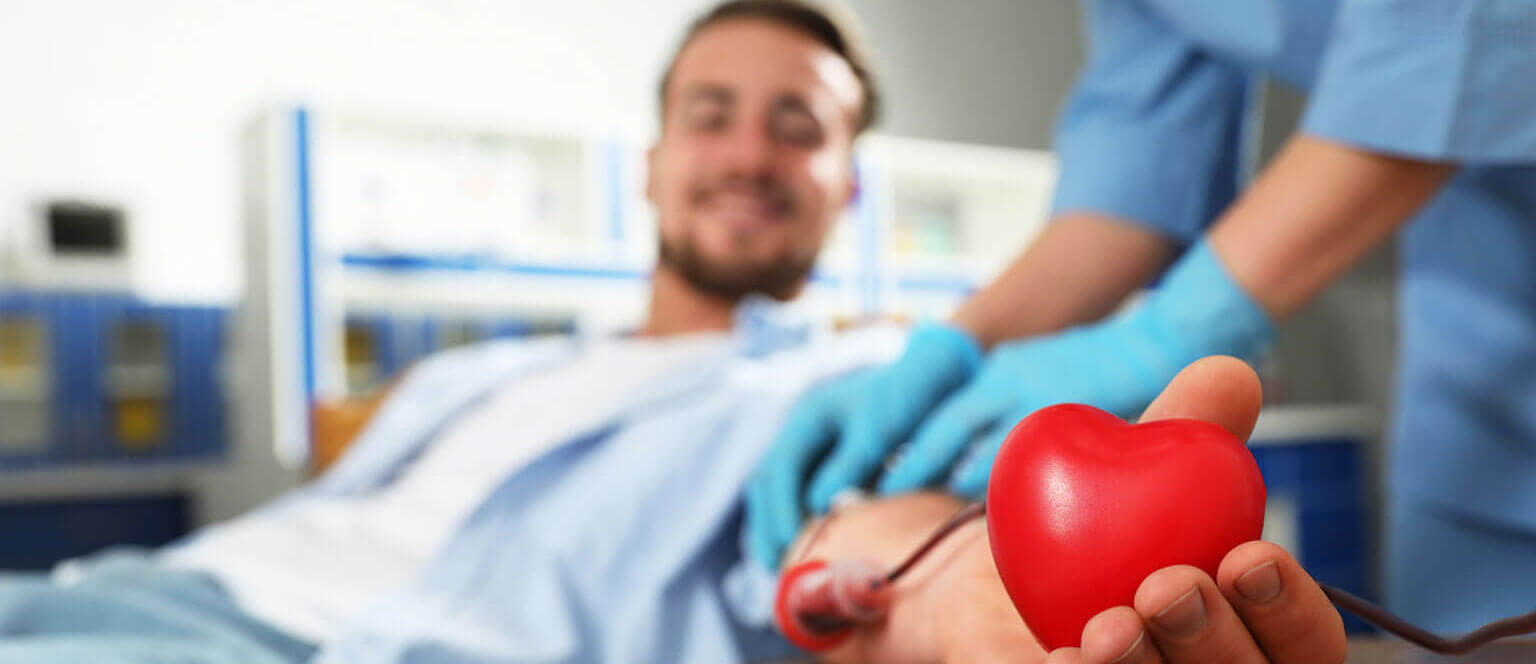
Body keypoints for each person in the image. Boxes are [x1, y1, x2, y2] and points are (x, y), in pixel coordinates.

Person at [0, 2, 901, 662]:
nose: (747, 155)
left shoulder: (844, 385)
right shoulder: (488, 371)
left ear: (848, 187)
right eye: (710, 116)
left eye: (798, 129)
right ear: (651, 165)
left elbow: (897, 545)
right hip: (144, 588)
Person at [749, 0, 1536, 645]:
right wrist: (961, 342)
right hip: (1481, 355)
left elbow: (1462, 39)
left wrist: (1173, 329)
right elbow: (1139, 163)